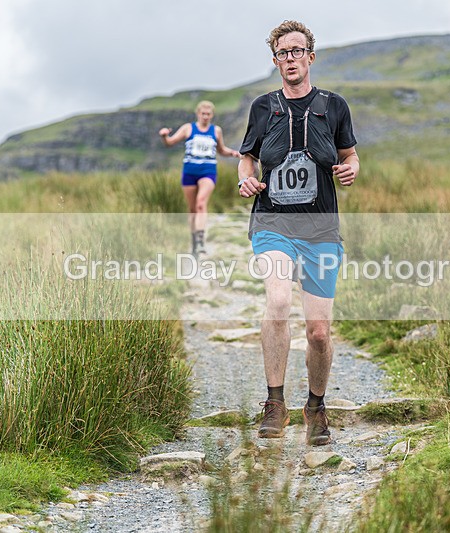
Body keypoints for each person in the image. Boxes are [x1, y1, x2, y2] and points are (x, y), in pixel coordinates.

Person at [238, 20, 359, 446]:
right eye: (282, 53)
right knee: (278, 299)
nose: (290, 58)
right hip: (273, 225)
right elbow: (247, 159)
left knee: (319, 332)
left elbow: (350, 154)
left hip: (321, 229)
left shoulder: (334, 106)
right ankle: (274, 403)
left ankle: (316, 406)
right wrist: (245, 180)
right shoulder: (263, 108)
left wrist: (350, 170)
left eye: (297, 50)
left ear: (311, 56)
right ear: (275, 62)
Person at [159, 101, 240, 256]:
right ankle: (194, 242)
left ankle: (201, 240)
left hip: (208, 171)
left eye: (208, 114)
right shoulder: (188, 128)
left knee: (201, 203)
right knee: (192, 210)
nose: (205, 116)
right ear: (198, 113)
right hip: (189, 172)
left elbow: (221, 150)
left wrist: (233, 153)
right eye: (203, 113)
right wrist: (164, 136)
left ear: (212, 115)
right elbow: (170, 143)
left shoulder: (216, 131)